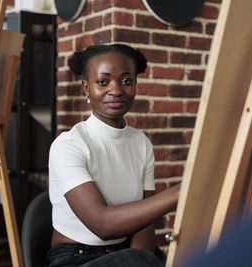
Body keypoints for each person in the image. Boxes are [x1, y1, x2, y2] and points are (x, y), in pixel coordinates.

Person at [47, 44, 181, 267]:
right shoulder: (68, 145)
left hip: (129, 253)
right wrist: (179, 193)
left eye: (127, 81)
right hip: (76, 258)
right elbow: (102, 225)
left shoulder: (141, 143)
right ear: (86, 87)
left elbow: (144, 225)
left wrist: (143, 260)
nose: (117, 90)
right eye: (103, 82)